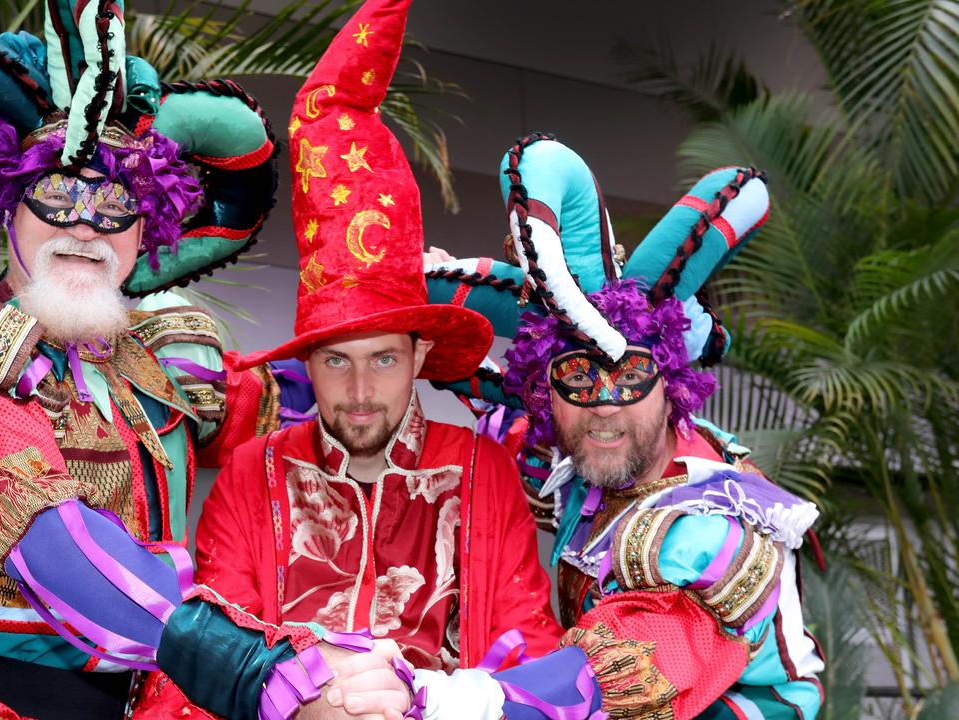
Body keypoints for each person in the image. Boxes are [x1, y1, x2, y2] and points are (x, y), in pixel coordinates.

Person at [0, 6, 413, 720]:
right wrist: (270, 675)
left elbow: (326, 399)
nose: (83, 224)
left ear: (144, 229)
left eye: (114, 202)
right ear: (6, 203)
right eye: (57, 193)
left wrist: (406, 315)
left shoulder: (167, 361)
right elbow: (58, 552)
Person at [134, 1, 561, 714]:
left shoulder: (482, 473)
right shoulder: (253, 472)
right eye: (336, 361)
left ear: (421, 354)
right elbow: (211, 649)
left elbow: (531, 651)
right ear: (308, 361)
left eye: (384, 360)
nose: (359, 390)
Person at [348, 134, 827, 718]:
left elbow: (639, 667)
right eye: (577, 375)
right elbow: (482, 404)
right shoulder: (581, 461)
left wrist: (469, 702)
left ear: (672, 386)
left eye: (630, 375)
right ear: (546, 393)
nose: (603, 405)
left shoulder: (710, 527)